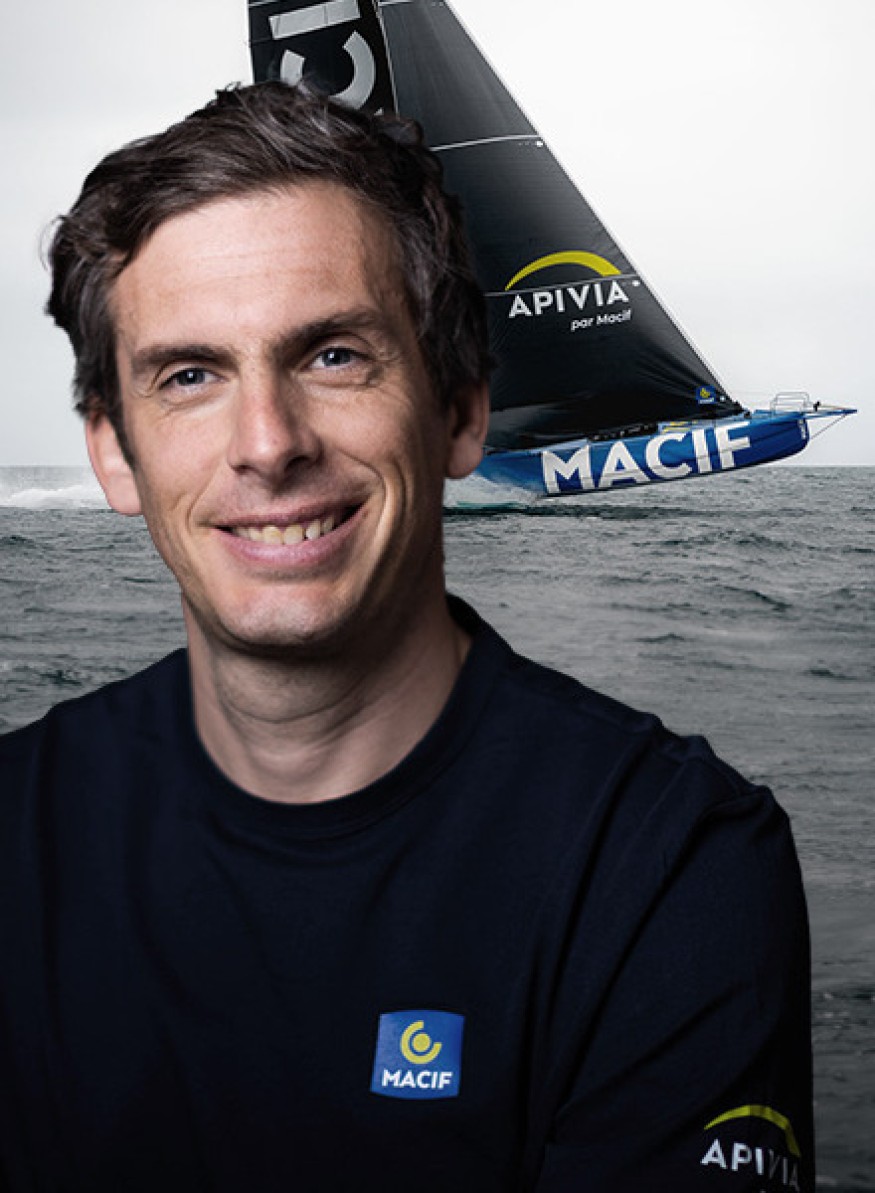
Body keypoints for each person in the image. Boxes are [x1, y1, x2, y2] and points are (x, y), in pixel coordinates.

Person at [0, 82, 812, 1192]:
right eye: (189, 376)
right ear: (112, 452)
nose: (267, 443)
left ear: (462, 409)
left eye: (333, 355)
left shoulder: (673, 858)